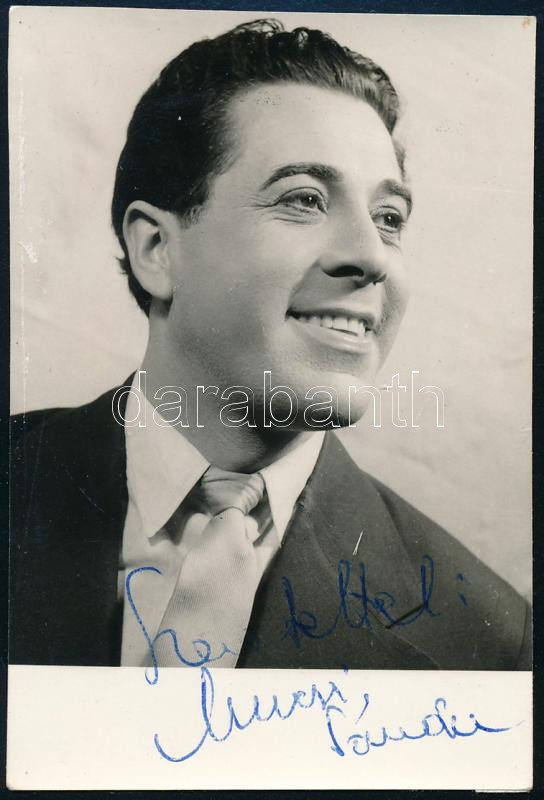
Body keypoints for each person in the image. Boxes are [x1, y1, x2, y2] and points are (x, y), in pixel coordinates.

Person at [10, 19, 531, 670]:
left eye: (389, 218)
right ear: (157, 250)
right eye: (304, 200)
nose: (371, 255)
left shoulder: (490, 640)